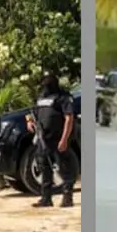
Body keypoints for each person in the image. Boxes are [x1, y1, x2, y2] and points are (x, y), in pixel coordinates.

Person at [25, 73, 78, 208]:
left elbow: (69, 118)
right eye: (44, 80)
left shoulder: (63, 97)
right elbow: (31, 114)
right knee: (44, 168)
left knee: (65, 168)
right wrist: (29, 122)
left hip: (58, 139)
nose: (46, 83)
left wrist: (64, 139)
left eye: (49, 80)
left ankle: (67, 198)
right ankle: (46, 198)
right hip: (43, 139)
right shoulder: (41, 97)